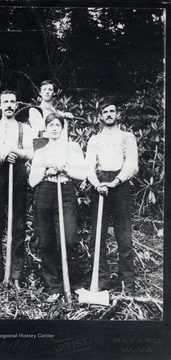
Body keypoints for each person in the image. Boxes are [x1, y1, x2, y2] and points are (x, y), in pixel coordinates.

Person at [0, 90, 33, 295]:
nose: (9, 105)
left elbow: (30, 152)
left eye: (12, 102)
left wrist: (13, 152)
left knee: (17, 224)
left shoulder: (24, 128)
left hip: (17, 173)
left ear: (17, 105)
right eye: (5, 102)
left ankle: (16, 275)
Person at [29, 112, 86, 302]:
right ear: (46, 129)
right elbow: (32, 181)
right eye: (50, 125)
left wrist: (65, 168)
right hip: (45, 192)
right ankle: (54, 287)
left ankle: (73, 283)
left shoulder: (73, 148)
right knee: (46, 241)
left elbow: (82, 174)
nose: (54, 128)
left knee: (69, 239)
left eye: (57, 125)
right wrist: (46, 169)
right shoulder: (40, 151)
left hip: (66, 190)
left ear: (63, 128)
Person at [86, 99, 138, 295]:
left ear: (118, 114)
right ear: (100, 116)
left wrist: (115, 181)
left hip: (119, 184)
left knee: (123, 235)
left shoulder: (127, 137)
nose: (108, 114)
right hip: (99, 185)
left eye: (112, 111)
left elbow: (132, 164)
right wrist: (97, 183)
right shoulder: (94, 140)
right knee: (97, 235)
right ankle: (101, 280)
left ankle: (128, 283)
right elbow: (88, 165)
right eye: (105, 112)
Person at [28, 80, 73, 150]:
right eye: (44, 89)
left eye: (50, 89)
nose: (47, 92)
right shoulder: (35, 110)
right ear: (40, 92)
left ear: (54, 93)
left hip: (58, 147)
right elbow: (40, 128)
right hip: (42, 147)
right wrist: (62, 115)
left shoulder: (59, 113)